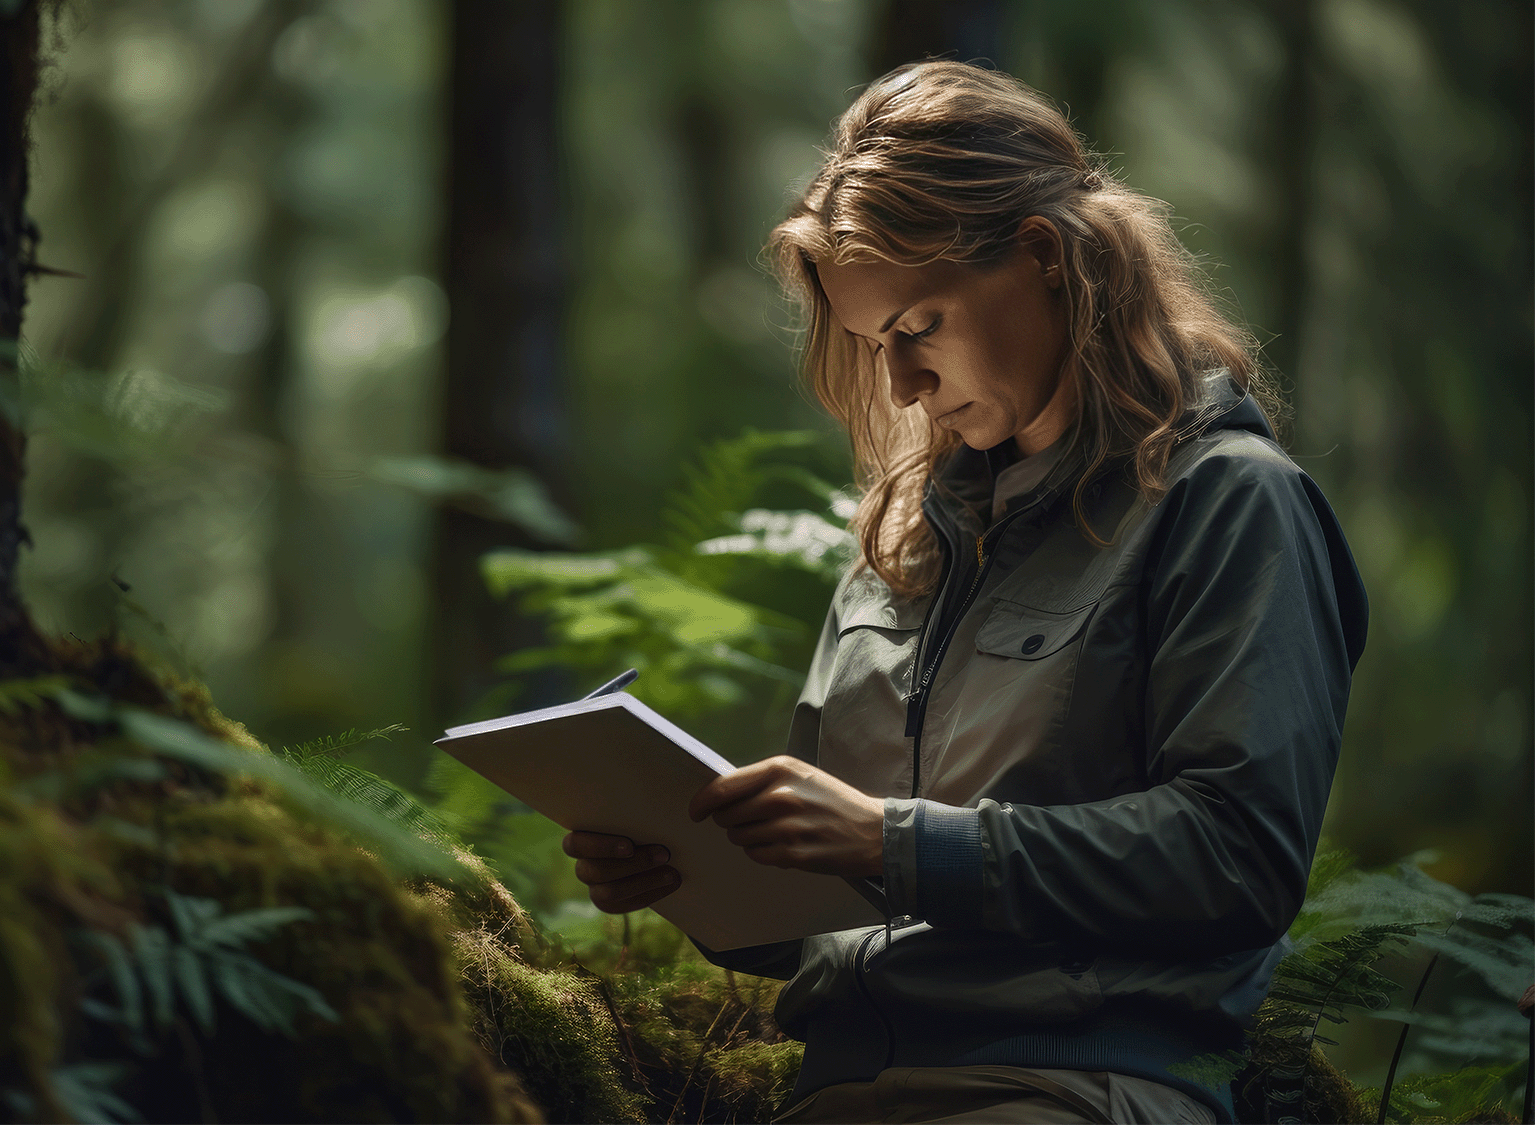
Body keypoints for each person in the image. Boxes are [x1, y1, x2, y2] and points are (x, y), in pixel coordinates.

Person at [561, 61, 1368, 1124]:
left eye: (915, 328)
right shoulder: (901, 543)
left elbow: (1235, 859)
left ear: (1041, 259)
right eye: (869, 346)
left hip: (1073, 1085)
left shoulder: (1226, 505)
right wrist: (687, 875)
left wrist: (894, 842)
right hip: (836, 1089)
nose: (898, 387)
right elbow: (832, 905)